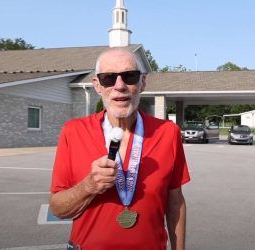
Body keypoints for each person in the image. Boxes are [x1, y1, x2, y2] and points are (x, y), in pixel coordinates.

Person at [49, 48, 190, 250]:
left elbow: (175, 203)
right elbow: (58, 208)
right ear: (97, 86)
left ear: (142, 82)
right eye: (108, 78)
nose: (120, 86)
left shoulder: (168, 133)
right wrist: (88, 187)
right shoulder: (73, 131)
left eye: (129, 76)